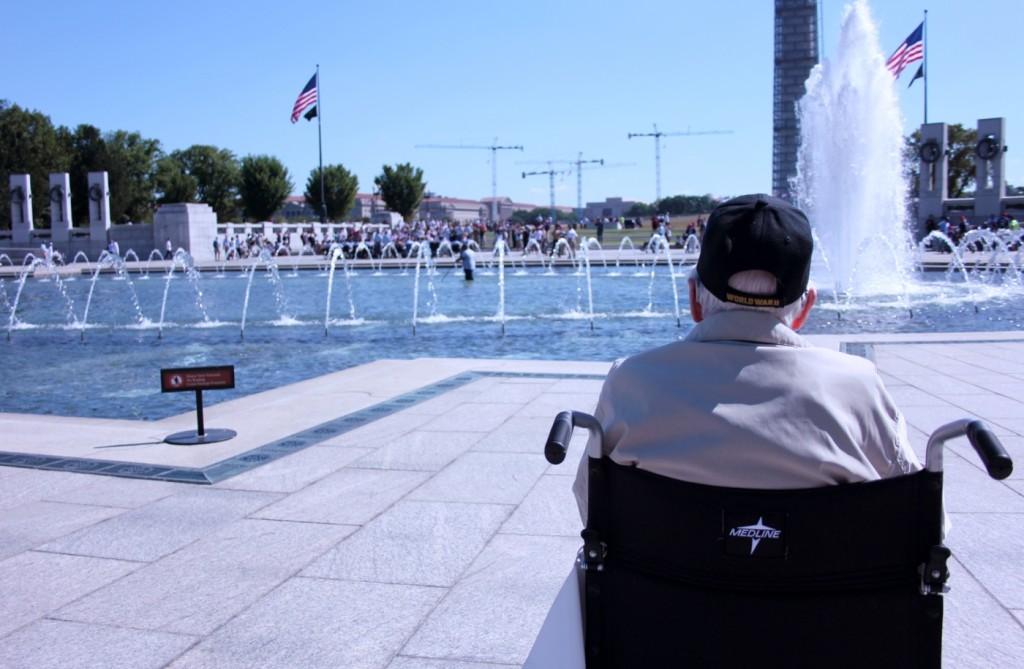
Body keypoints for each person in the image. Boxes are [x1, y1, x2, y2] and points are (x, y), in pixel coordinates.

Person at [572, 194, 921, 521]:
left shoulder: (633, 379)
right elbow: (920, 515)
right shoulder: (856, 386)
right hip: (821, 584)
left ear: (694, 299)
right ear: (805, 308)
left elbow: (592, 505)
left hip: (657, 584)